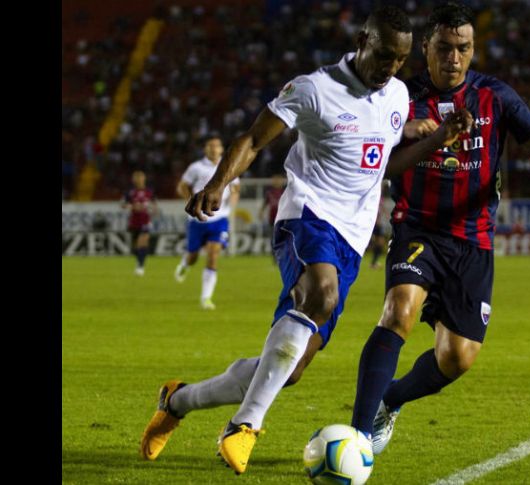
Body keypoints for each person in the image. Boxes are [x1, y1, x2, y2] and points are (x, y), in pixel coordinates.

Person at [141, 6, 472, 475]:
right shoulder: (314, 89)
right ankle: (244, 426)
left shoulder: (396, 95)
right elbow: (254, 140)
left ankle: (177, 401)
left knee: (287, 370)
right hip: (307, 215)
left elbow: (382, 168)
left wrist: (436, 140)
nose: (390, 69)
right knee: (321, 292)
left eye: (399, 61)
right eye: (382, 56)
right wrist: (218, 184)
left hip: (352, 240)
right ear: (362, 40)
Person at [348, 2, 530, 456]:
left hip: (474, 241)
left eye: (463, 48)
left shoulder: (495, 95)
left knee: (457, 357)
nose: (454, 58)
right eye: (444, 48)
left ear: (472, 49)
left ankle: (392, 399)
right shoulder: (398, 96)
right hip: (418, 228)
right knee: (398, 312)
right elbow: (375, 152)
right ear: (425, 48)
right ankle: (357, 436)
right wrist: (412, 130)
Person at [174, 135, 241, 310]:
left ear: (221, 149)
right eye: (210, 146)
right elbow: (182, 185)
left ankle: (206, 298)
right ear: (205, 149)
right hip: (197, 218)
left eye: (216, 146)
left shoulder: (228, 166)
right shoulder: (196, 167)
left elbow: (235, 188)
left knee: (213, 255)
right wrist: (191, 200)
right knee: (193, 256)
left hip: (219, 218)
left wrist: (232, 204)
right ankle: (185, 263)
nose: (213, 149)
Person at [122, 170, 157, 276]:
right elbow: (123, 205)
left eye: (140, 178)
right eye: (136, 178)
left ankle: (140, 267)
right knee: (135, 248)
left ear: (144, 179)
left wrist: (152, 210)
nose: (138, 180)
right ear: (133, 180)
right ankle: (139, 261)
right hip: (134, 221)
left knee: (143, 241)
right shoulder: (130, 192)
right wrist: (133, 206)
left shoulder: (149, 192)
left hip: (145, 221)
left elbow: (154, 206)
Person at [257, 173, 285, 261]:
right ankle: (275, 257)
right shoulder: (269, 192)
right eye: (275, 180)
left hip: (282, 219)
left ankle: (283, 256)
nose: (276, 182)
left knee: (283, 238)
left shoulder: (284, 192)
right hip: (272, 219)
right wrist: (261, 212)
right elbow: (265, 203)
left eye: (278, 180)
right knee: (273, 239)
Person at [369, 187, 389, 269]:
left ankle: (374, 263)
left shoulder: (380, 199)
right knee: (378, 243)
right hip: (374, 224)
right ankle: (373, 263)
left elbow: (381, 210)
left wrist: (386, 214)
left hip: (378, 224)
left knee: (380, 243)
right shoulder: (374, 197)